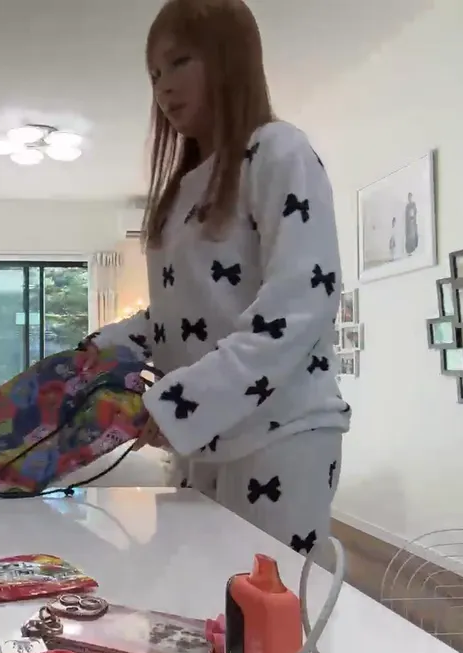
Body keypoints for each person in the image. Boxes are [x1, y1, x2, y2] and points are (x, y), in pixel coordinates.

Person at [79, 0, 350, 557]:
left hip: (282, 430)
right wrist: (98, 353)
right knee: (198, 596)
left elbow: (299, 304)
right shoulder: (178, 193)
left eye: (180, 62)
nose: (163, 86)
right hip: (203, 438)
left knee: (268, 601)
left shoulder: (279, 151)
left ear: (230, 59)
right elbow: (178, 314)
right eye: (154, 73)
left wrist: (183, 401)